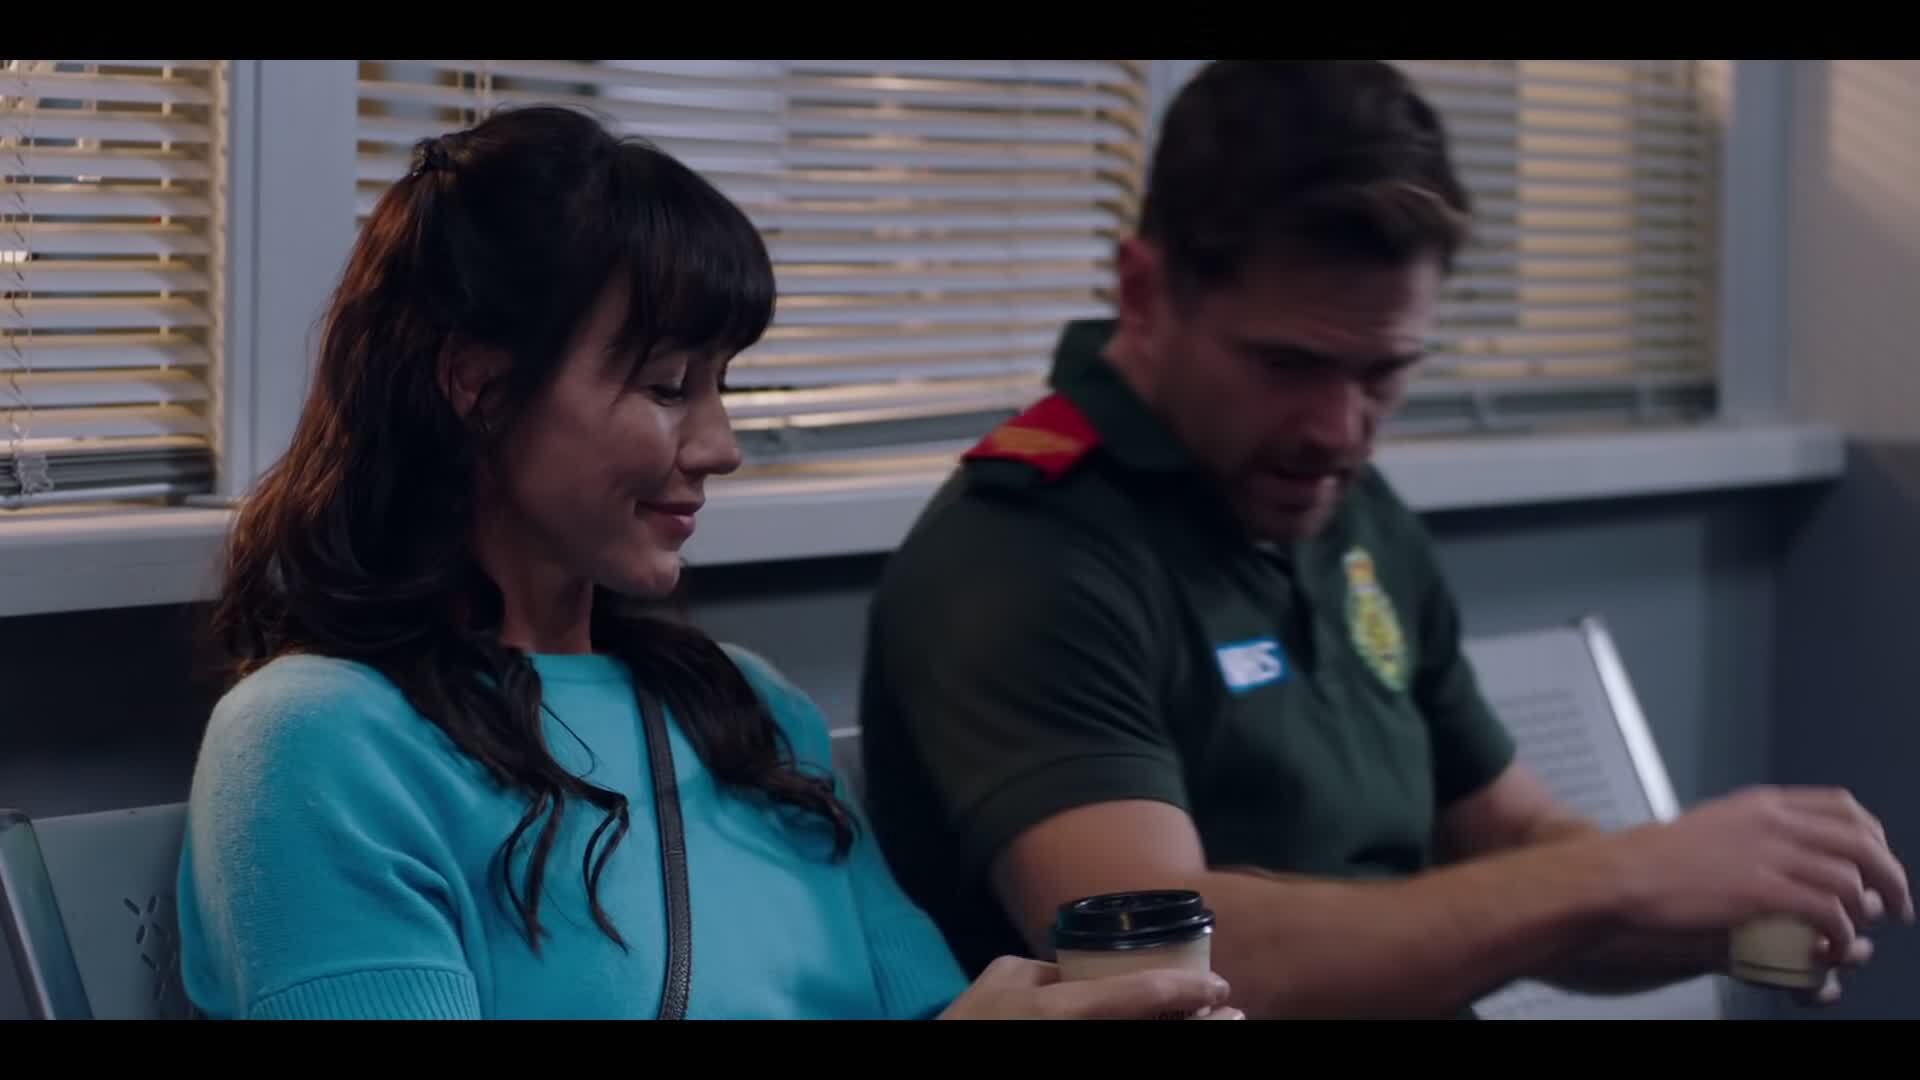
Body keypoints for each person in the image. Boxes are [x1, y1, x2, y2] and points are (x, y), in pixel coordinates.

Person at [856, 60, 1913, 1019]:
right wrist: (1620, 875)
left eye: (1384, 373)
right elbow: (1157, 967)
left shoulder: (1349, 511)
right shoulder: (1024, 551)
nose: (1338, 431)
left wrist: (1723, 904)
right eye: (1287, 364)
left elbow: (1519, 843)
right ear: (1143, 293)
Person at [172, 104, 1242, 1022]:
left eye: (722, 384)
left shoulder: (748, 713)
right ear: (479, 385)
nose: (721, 445)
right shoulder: (321, 746)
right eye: (668, 386)